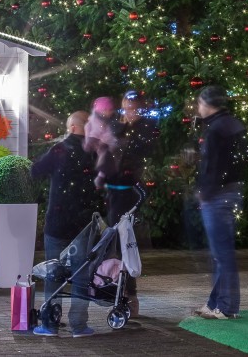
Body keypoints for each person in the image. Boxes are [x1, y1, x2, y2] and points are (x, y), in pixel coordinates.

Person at [30, 111, 99, 338]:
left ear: (71, 127)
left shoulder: (59, 150)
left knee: (54, 273)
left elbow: (36, 170)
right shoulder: (93, 151)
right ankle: (79, 325)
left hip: (58, 221)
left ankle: (49, 324)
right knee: (81, 275)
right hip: (83, 223)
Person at [194, 84, 248, 320]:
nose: (198, 108)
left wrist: (205, 192)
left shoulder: (215, 129)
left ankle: (226, 306)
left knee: (222, 252)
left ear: (208, 104)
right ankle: (215, 302)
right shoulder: (233, 124)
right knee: (221, 251)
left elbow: (213, 166)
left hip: (218, 195)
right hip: (232, 191)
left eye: (199, 103)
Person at [103, 90, 159, 317]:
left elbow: (138, 155)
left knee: (127, 244)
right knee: (112, 244)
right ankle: (117, 291)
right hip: (113, 193)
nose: (130, 108)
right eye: (127, 103)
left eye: (134, 104)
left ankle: (130, 296)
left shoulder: (144, 130)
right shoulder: (117, 126)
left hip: (128, 193)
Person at [83, 96, 121, 189]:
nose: (111, 112)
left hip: (110, 142)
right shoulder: (96, 119)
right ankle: (101, 176)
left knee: (110, 157)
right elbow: (95, 131)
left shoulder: (110, 118)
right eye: (109, 110)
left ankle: (104, 176)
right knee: (105, 157)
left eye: (112, 110)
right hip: (103, 143)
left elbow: (113, 131)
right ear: (102, 110)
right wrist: (91, 141)